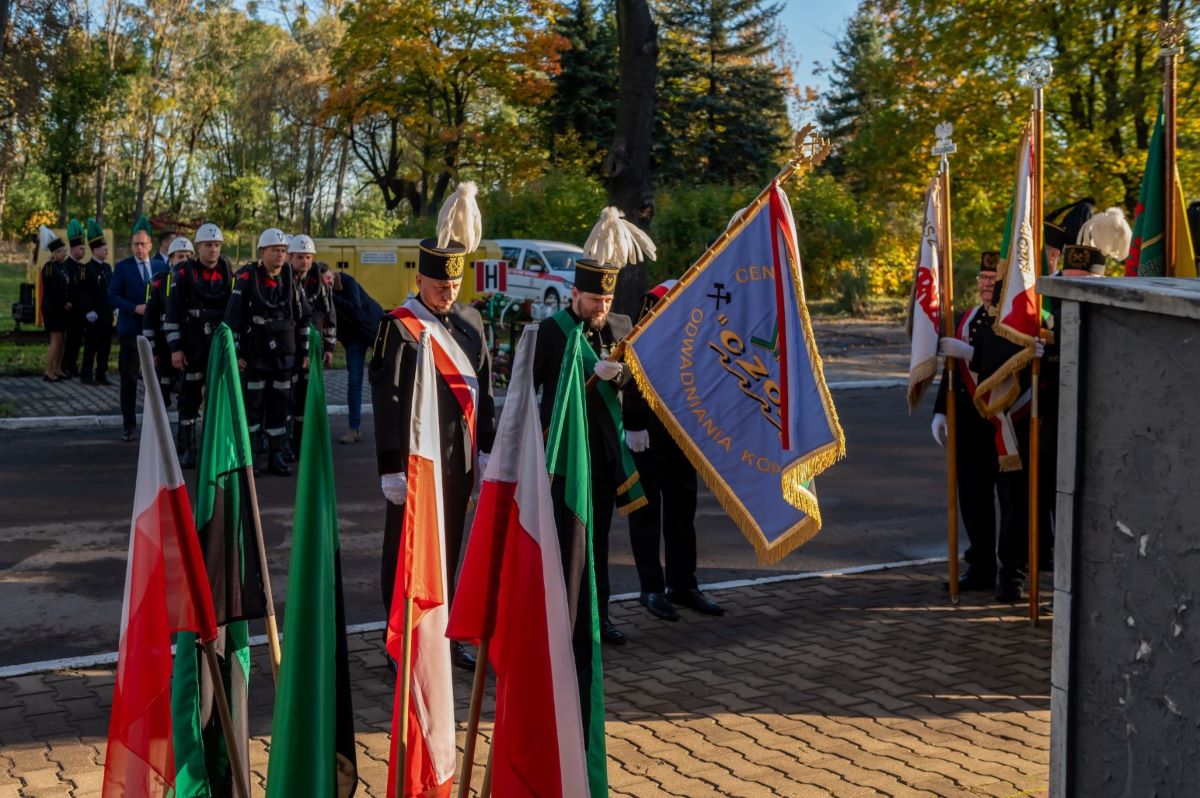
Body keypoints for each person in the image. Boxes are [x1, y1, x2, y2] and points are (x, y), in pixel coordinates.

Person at [370, 182, 496, 671]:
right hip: (413, 465)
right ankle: (399, 639)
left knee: (448, 552)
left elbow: (482, 387)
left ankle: (443, 636)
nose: (448, 294)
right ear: (420, 281)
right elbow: (387, 399)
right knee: (404, 553)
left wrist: (485, 448)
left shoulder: (471, 322)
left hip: (458, 461)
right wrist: (389, 467)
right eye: (440, 287)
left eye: (454, 286)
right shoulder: (398, 326)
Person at [531, 205, 654, 646]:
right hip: (564, 450)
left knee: (599, 539)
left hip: (603, 453)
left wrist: (615, 375)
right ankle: (564, 617)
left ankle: (599, 618)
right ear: (575, 295)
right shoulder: (552, 331)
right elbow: (531, 389)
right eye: (594, 300)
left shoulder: (620, 325)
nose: (602, 308)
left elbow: (635, 379)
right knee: (567, 539)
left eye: (607, 300)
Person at [624, 280, 723, 620]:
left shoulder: (703, 308)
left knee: (683, 512)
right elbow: (635, 363)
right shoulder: (659, 298)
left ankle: (683, 583)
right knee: (647, 513)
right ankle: (651, 588)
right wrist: (634, 421)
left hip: (684, 429)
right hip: (649, 430)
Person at [931, 252, 1002, 592]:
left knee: (1013, 503)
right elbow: (953, 373)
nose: (986, 285)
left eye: (993, 279)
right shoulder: (965, 317)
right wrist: (941, 410)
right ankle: (982, 566)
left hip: (1005, 421)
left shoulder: (1013, 318)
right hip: (969, 424)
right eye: (982, 279)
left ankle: (1015, 570)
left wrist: (973, 354)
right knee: (973, 498)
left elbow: (1011, 364)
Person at [224, 227, 310, 476]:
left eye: (283, 251)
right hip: (256, 356)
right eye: (275, 250)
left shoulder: (291, 279)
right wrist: (237, 353)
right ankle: (251, 460)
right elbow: (233, 318)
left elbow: (303, 317)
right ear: (263, 252)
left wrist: (304, 352)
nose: (280, 255)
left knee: (280, 407)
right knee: (254, 407)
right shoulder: (246, 278)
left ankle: (276, 456)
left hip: (284, 358)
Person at [165, 223, 233, 468]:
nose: (213, 249)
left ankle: (213, 444)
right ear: (198, 247)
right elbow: (172, 311)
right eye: (208, 245)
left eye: (216, 245)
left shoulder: (227, 270)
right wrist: (175, 348)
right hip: (192, 342)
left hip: (217, 343)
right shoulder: (184, 273)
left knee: (217, 395)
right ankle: (188, 446)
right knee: (189, 396)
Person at [108, 216, 157, 441]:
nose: (139, 248)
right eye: (135, 244)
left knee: (155, 379)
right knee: (129, 378)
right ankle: (129, 424)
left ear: (150, 245)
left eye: (142, 244)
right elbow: (113, 296)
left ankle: (156, 425)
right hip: (130, 330)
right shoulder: (123, 267)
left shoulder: (160, 266)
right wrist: (134, 308)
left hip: (155, 332)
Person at [287, 234, 336, 458]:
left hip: (311, 345)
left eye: (308, 257)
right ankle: (284, 442)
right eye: (300, 257)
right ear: (291, 257)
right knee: (286, 395)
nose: (304, 261)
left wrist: (328, 347)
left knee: (306, 396)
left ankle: (301, 443)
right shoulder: (284, 278)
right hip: (288, 345)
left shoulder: (319, 282)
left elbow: (329, 314)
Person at [331, 270, 383, 444]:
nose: (327, 283)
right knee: (354, 382)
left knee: (385, 377)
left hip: (373, 330)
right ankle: (354, 429)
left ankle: (392, 425)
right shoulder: (320, 292)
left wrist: (331, 296)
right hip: (353, 338)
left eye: (328, 278)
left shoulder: (347, 281)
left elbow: (355, 307)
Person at [144, 237, 192, 410]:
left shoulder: (196, 281)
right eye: (180, 256)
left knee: (187, 393)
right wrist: (153, 349)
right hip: (164, 345)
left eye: (188, 256)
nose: (184, 261)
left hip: (187, 343)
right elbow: (149, 318)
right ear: (171, 259)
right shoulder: (158, 281)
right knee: (161, 393)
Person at [78, 218, 114, 385]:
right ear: (95, 250)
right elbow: (84, 292)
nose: (106, 251)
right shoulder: (87, 269)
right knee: (91, 346)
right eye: (103, 249)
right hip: (94, 314)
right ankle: (86, 375)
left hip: (107, 313)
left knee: (105, 346)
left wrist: (115, 307)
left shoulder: (107, 268)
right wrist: (88, 310)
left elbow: (111, 289)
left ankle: (101, 373)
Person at [38, 226, 69, 382]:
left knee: (62, 339)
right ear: (55, 253)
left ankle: (57, 368)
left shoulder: (59, 266)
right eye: (63, 251)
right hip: (52, 308)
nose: (65, 254)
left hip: (60, 308)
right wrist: (64, 303)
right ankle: (48, 371)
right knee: (55, 340)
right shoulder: (50, 267)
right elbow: (51, 290)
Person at [61, 218, 87, 379]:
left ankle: (72, 364)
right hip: (70, 310)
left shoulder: (81, 267)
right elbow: (64, 287)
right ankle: (65, 365)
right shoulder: (66, 266)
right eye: (81, 249)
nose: (84, 251)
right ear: (74, 249)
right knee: (70, 340)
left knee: (77, 340)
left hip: (80, 310)